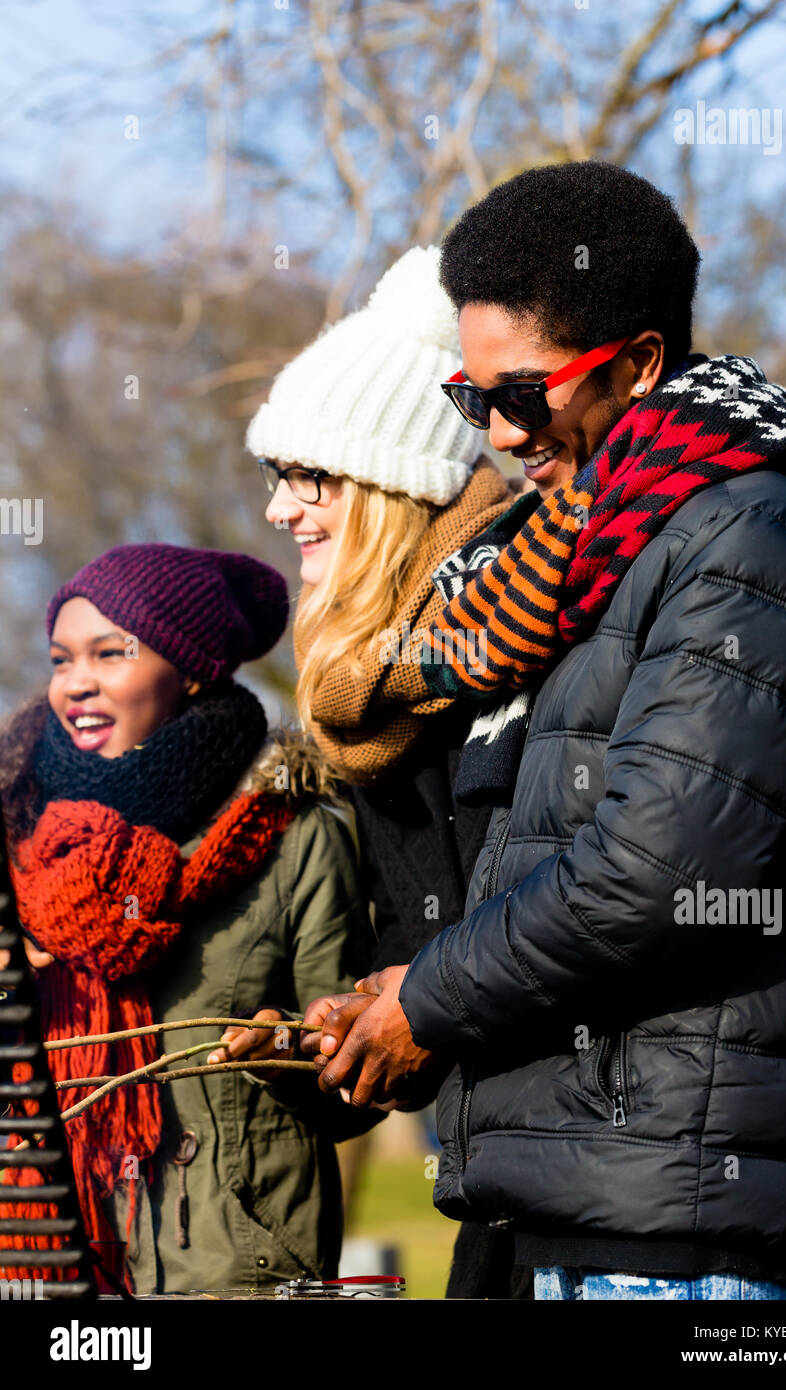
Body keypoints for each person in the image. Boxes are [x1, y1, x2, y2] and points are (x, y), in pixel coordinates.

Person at [300, 162, 786, 1302]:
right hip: (564, 1204)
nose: (501, 435)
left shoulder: (741, 539)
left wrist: (426, 1000)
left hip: (664, 1235)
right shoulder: (579, 553)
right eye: (472, 398)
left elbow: (651, 873)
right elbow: (542, 859)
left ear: (642, 364)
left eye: (522, 395)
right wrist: (397, 988)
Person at [247, 245, 533, 1298]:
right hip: (492, 1194)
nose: (279, 509)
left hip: (608, 1204)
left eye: (306, 475)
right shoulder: (372, 715)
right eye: (274, 477)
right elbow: (414, 956)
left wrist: (424, 1002)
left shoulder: (531, 649)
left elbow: (594, 904)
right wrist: (313, 1043)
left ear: (391, 484)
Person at [0, 543, 375, 1294]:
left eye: (110, 654)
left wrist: (287, 1048)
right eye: (62, 658)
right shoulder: (16, 840)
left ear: (193, 666)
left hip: (228, 1270)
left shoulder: (295, 839)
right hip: (50, 1267)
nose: (76, 683)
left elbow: (363, 1071)